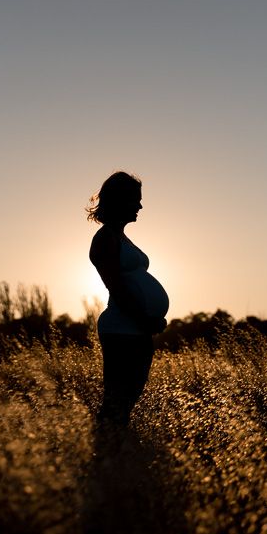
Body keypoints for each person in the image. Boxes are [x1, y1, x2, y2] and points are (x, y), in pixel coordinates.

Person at [88, 171, 169, 426]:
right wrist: (145, 319)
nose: (140, 205)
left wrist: (149, 321)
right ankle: (105, 455)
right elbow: (117, 288)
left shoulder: (121, 237)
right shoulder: (105, 238)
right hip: (121, 328)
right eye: (136, 199)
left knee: (126, 401)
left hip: (135, 328)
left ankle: (115, 453)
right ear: (120, 200)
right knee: (116, 402)